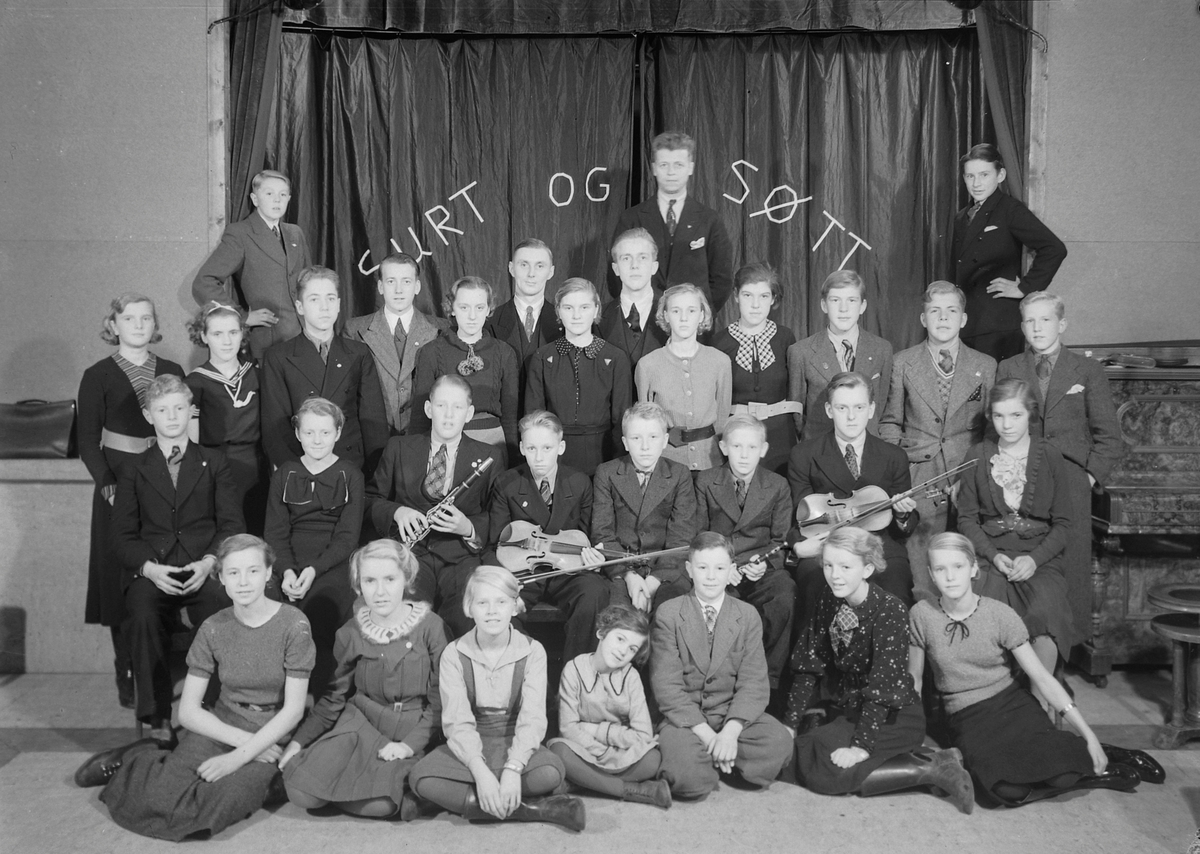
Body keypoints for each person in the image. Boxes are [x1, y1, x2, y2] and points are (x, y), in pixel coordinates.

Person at [76, 535, 314, 841]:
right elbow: (188, 712)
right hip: (224, 725)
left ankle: (259, 780)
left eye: (253, 571)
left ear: (269, 573)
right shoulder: (213, 627)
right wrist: (245, 744)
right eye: (233, 572)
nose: (243, 582)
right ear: (221, 578)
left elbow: (293, 711)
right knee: (156, 796)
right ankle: (142, 757)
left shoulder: (294, 623)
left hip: (273, 732)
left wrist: (238, 758)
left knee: (226, 797)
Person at [909, 532, 1158, 806]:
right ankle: (1092, 772)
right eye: (940, 569)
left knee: (1062, 777)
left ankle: (1097, 751)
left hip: (1011, 704)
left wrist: (1090, 735)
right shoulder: (921, 615)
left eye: (958, 566)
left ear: (973, 569)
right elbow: (914, 681)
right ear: (931, 575)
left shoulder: (999, 614)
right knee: (1003, 791)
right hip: (966, 717)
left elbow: (1041, 677)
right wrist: (912, 739)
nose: (950, 577)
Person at [782, 527, 973, 813]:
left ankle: (932, 768)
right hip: (852, 707)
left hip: (894, 715)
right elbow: (809, 663)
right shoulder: (828, 598)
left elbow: (883, 689)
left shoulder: (890, 610)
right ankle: (916, 760)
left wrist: (860, 747)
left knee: (824, 769)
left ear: (868, 569)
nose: (835, 575)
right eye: (828, 565)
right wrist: (790, 723)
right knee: (800, 749)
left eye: (846, 567)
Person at [111, 375, 242, 743]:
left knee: (222, 611)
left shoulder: (215, 462)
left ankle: (215, 708)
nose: (171, 417)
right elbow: (121, 537)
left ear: (190, 411)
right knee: (143, 615)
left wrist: (209, 562)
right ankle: (158, 718)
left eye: (179, 408)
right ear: (148, 415)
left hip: (203, 568)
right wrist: (150, 570)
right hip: (155, 571)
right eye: (162, 410)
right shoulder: (133, 469)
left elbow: (232, 525)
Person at [280, 540, 449, 819]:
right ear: (359, 586)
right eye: (370, 581)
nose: (380, 591)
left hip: (411, 731)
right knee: (300, 791)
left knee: (380, 803)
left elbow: (440, 702)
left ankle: (390, 790)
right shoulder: (350, 632)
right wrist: (298, 743)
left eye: (390, 579)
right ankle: (360, 787)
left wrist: (409, 745)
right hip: (360, 725)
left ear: (407, 580)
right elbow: (333, 698)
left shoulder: (432, 627)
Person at [408, 566, 586, 831]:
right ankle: (534, 809)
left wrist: (514, 768)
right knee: (421, 778)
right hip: (471, 743)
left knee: (551, 772)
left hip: (515, 739)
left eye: (501, 602)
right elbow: (457, 722)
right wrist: (480, 772)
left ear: (515, 606)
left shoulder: (533, 651)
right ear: (469, 608)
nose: (492, 611)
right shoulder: (454, 654)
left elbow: (533, 718)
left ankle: (465, 801)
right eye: (482, 603)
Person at [997, 292, 1124, 652]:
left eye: (1046, 320)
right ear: (1022, 326)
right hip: (1020, 480)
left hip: (1070, 483)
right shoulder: (1009, 368)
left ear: (1062, 324)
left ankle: (1065, 651)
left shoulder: (1087, 370)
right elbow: (997, 426)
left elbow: (1109, 437)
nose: (1037, 328)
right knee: (1025, 564)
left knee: (1070, 567)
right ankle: (1023, 650)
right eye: (1030, 321)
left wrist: (1087, 478)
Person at [77, 293, 185, 708]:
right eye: (129, 318)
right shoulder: (97, 375)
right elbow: (88, 441)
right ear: (114, 324)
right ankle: (124, 665)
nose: (139, 325)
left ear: (155, 324)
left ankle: (159, 667)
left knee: (161, 572)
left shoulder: (172, 370)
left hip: (164, 483)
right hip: (118, 485)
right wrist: (107, 483)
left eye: (146, 318)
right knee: (118, 577)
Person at [956, 378, 1076, 707]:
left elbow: (1064, 524)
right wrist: (993, 556)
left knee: (1045, 612)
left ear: (1030, 414)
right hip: (989, 557)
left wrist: (1035, 560)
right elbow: (967, 519)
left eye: (1016, 415)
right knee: (984, 611)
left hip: (1039, 559)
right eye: (998, 416)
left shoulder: (1049, 455)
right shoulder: (977, 455)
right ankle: (992, 707)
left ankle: (1039, 708)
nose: (1006, 425)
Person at [649, 532, 792, 800]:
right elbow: (667, 687)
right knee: (687, 778)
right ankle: (716, 759)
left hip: (730, 715)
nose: (711, 577)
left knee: (779, 743)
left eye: (719, 568)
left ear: (731, 571)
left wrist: (730, 733)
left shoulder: (747, 615)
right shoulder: (669, 613)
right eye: (702, 568)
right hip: (687, 720)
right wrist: (710, 737)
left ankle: (717, 757)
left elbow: (754, 682)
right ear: (689, 570)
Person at [878, 281, 997, 602]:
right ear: (923, 318)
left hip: (967, 476)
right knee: (922, 571)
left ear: (964, 319)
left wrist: (972, 475)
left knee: (967, 566)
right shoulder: (903, 362)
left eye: (951, 311)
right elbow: (889, 422)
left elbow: (990, 430)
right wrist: (900, 473)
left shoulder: (985, 365)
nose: (943, 318)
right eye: (935, 311)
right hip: (918, 479)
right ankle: (925, 624)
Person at [366, 374, 498, 637]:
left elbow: (497, 515)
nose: (448, 415)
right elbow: (370, 499)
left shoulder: (490, 455)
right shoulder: (398, 447)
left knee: (464, 618)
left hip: (461, 557)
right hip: (411, 555)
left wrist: (468, 527)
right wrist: (397, 512)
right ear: (428, 409)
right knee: (409, 621)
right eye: (441, 405)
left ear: (469, 413)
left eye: (457, 407)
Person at [789, 373, 919, 614]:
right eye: (842, 408)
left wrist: (902, 515)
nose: (851, 417)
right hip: (827, 544)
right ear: (829, 410)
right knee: (814, 584)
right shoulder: (804, 454)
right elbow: (802, 517)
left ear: (871, 410)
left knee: (896, 585)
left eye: (859, 407)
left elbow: (904, 528)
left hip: (879, 545)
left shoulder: (894, 456)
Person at [487, 410, 610, 662]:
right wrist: (504, 584)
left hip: (566, 571)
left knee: (594, 591)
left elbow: (586, 537)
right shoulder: (506, 483)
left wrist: (594, 560)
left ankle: (577, 674)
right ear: (522, 448)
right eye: (532, 448)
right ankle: (526, 674)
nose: (539, 457)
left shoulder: (579, 482)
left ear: (560, 447)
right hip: (523, 572)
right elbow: (495, 542)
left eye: (547, 448)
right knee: (499, 604)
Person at [263, 397, 364, 696]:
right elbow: (275, 533)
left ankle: (321, 698)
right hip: (288, 561)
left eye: (325, 432)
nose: (317, 440)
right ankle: (275, 698)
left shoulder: (351, 475)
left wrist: (312, 570)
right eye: (309, 433)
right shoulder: (284, 473)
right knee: (268, 605)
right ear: (298, 434)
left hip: (332, 563)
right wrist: (286, 571)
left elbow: (347, 538)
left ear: (338, 433)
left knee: (319, 609)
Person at [693, 414, 796, 696]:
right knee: (717, 609)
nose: (744, 455)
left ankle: (768, 682)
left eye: (752, 447)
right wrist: (721, 567)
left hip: (760, 569)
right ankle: (720, 684)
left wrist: (764, 564)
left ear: (763, 450)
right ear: (723, 447)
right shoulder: (706, 481)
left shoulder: (777, 485)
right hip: (718, 569)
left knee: (784, 593)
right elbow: (699, 535)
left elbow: (780, 541)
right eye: (737, 446)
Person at [260, 266, 389, 476]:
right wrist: (296, 474)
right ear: (300, 307)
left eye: (330, 299)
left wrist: (376, 475)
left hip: (352, 468)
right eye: (314, 299)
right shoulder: (279, 357)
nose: (324, 307)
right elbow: (275, 429)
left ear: (338, 304)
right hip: (302, 469)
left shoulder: (358, 353)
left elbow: (373, 421)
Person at [952, 143, 1067, 362]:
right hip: (967, 321)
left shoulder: (1010, 209)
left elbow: (1054, 248)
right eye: (970, 176)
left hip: (998, 324)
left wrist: (1025, 288)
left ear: (1001, 175)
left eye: (984, 175)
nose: (976, 183)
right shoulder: (961, 217)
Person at [547, 604, 671, 808]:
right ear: (601, 633)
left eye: (632, 649)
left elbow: (643, 735)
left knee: (652, 759)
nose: (623, 651)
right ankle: (629, 789)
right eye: (620, 639)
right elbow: (569, 729)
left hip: (619, 750)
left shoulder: (631, 677)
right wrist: (600, 752)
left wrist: (598, 731)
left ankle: (581, 783)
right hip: (583, 749)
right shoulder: (574, 669)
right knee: (559, 751)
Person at [192, 169, 313, 359]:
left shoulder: (295, 233)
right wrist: (242, 317)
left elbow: (309, 283)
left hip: (304, 337)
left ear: (289, 199)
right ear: (255, 199)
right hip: (270, 342)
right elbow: (204, 283)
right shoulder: (241, 233)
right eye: (269, 193)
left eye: (283, 195)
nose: (277, 200)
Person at [609, 131, 733, 316]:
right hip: (643, 324)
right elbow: (615, 275)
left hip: (693, 325)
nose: (671, 172)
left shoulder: (710, 220)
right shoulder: (631, 218)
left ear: (690, 167)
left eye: (678, 165)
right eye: (664, 165)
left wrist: (698, 315)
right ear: (654, 168)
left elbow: (722, 280)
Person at [592, 402, 698, 613]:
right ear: (625, 442)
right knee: (619, 617)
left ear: (665, 441)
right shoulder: (607, 473)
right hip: (620, 569)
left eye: (653, 437)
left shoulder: (679, 474)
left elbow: (681, 538)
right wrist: (629, 576)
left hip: (667, 569)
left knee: (670, 613)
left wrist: (653, 581)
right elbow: (602, 533)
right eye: (636, 438)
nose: (645, 446)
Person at [525, 277, 633, 475]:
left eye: (584, 307)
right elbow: (534, 418)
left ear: (596, 309)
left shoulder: (615, 358)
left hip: (603, 457)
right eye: (568, 308)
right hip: (554, 456)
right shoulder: (542, 357)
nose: (576, 315)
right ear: (558, 311)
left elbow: (622, 419)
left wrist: (618, 467)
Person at [412, 275, 520, 464]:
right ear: (452, 308)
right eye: (464, 307)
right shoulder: (430, 352)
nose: (472, 316)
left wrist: (513, 463)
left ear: (489, 309)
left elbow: (510, 418)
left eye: (479, 308)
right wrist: (416, 461)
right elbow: (420, 418)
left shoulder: (504, 353)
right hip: (445, 441)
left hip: (492, 443)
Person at [342, 252, 449, 436]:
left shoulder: (440, 329)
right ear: (380, 287)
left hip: (424, 436)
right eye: (391, 281)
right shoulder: (355, 330)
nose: (399, 290)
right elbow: (348, 392)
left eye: (406, 281)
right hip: (373, 437)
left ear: (417, 286)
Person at [186, 301, 268, 536]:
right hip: (216, 467)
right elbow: (192, 443)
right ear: (204, 336)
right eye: (217, 334)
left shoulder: (257, 374)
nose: (226, 341)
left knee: (255, 533)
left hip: (256, 466)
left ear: (243, 333)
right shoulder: (195, 382)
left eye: (233, 332)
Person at [711, 262, 799, 474]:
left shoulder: (785, 338)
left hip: (779, 436)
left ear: (773, 299)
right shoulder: (719, 342)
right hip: (736, 435)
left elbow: (795, 390)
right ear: (736, 296)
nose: (755, 305)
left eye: (764, 296)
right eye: (748, 295)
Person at [635, 283, 732, 472]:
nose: (684, 318)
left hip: (710, 462)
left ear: (702, 315)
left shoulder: (720, 361)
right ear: (665, 315)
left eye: (691, 310)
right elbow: (646, 423)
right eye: (676, 311)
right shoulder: (647, 365)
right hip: (666, 464)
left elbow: (722, 416)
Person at [787, 270, 892, 442]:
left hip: (867, 449)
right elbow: (796, 416)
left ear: (863, 306)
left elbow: (882, 407)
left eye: (852, 300)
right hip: (819, 448)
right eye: (835, 300)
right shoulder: (801, 352)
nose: (844, 309)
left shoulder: (881, 350)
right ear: (824, 305)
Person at [484, 239, 562, 400]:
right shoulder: (489, 321)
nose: (531, 274)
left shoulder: (566, 322)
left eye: (540, 266)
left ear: (551, 272)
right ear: (511, 268)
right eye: (524, 265)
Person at [598, 227, 669, 377]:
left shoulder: (674, 315)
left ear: (654, 267)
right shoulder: (597, 319)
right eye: (626, 258)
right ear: (616, 268)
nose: (634, 265)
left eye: (642, 258)